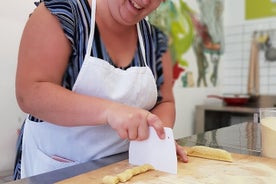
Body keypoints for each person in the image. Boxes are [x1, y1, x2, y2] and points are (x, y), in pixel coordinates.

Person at [14, 0, 188, 179]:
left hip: (124, 171)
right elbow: (30, 93)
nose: (143, 1)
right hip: (55, 168)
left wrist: (157, 138)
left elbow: (165, 102)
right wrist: (110, 111)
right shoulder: (62, 14)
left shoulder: (155, 42)